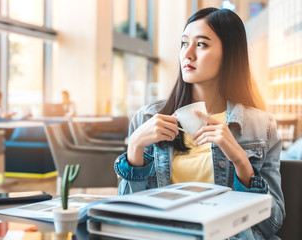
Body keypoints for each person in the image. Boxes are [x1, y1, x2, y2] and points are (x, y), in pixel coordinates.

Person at [114, 8, 284, 239]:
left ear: (229, 53)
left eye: (201, 44)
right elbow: (125, 216)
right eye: (184, 43)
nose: (188, 54)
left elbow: (271, 224)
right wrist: (135, 148)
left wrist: (242, 163)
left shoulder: (261, 126)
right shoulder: (148, 118)